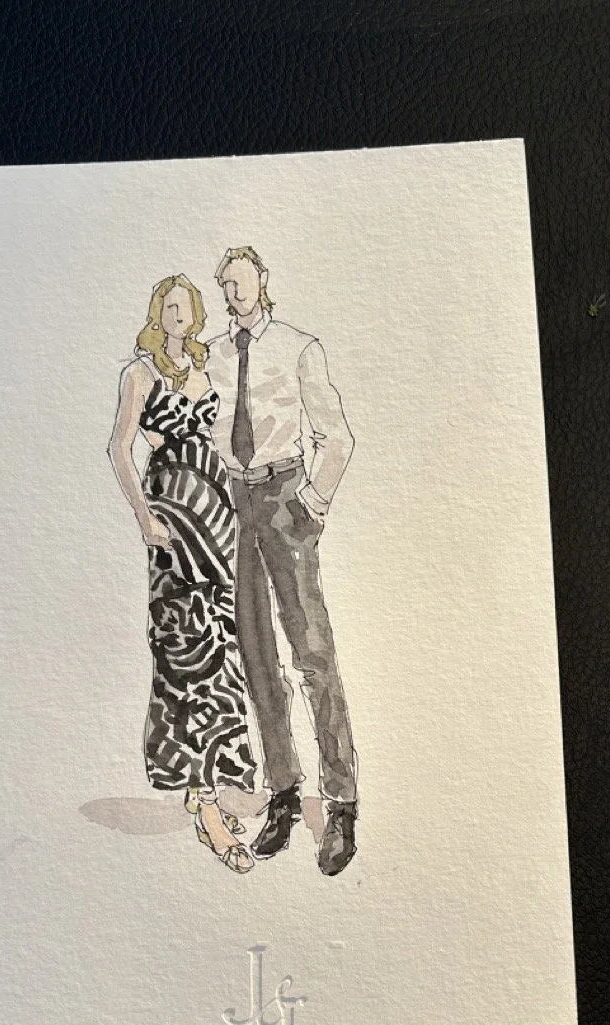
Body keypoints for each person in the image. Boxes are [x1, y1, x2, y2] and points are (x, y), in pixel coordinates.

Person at [205, 247, 359, 876]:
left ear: (263, 281)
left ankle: (341, 800)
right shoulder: (212, 355)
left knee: (312, 654)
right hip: (234, 503)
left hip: (284, 495)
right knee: (257, 656)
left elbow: (337, 437)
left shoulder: (298, 347)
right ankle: (285, 791)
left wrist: (313, 502)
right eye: (225, 284)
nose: (234, 292)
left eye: (241, 280)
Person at [108, 274, 257, 874]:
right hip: (171, 515)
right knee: (183, 650)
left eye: (186, 307)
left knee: (223, 645)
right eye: (168, 306)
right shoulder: (139, 374)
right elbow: (119, 448)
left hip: (216, 512)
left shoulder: (205, 366)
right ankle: (205, 805)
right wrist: (143, 516)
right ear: (156, 313)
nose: (178, 315)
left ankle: (213, 785)